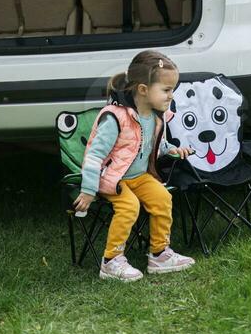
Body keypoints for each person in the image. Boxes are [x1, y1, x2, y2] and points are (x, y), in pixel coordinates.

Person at [73, 50, 198, 281]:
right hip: (112, 178)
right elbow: (93, 155)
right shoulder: (115, 117)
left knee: (162, 198)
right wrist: (88, 190)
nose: (171, 96)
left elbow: (153, 145)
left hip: (139, 176)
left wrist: (172, 150)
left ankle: (159, 254)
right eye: (166, 89)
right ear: (143, 89)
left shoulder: (156, 116)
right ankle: (111, 260)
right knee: (129, 206)